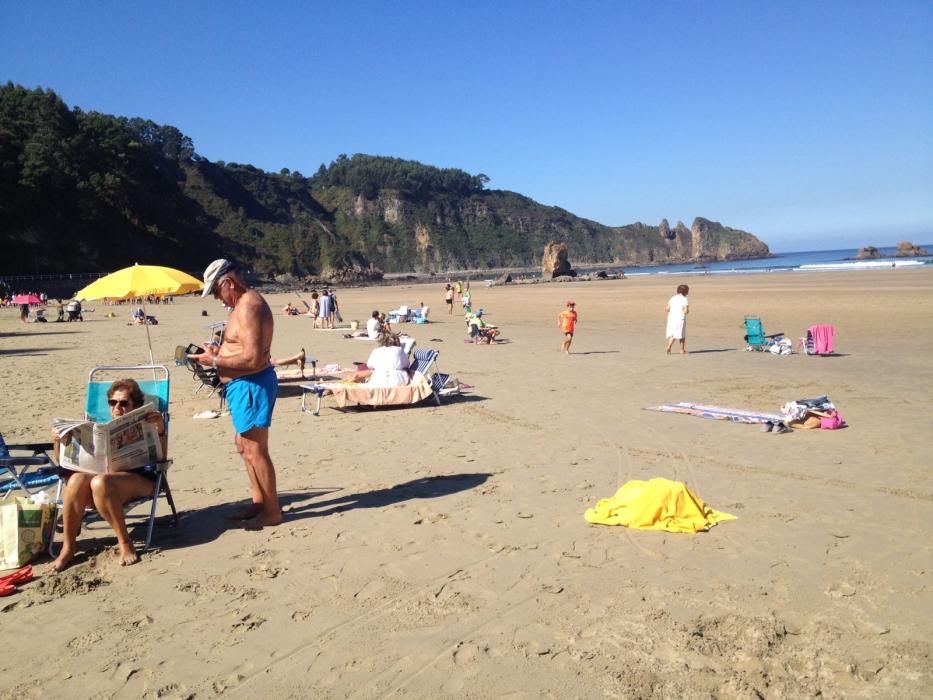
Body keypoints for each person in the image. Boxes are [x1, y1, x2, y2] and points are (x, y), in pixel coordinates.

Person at [189, 259, 282, 529]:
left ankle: (272, 511)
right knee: (244, 446)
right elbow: (243, 349)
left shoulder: (248, 307)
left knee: (255, 450)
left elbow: (253, 359)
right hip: (243, 385)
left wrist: (215, 362)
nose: (219, 299)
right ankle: (258, 502)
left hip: (252, 384)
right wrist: (219, 352)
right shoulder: (242, 306)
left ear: (228, 283)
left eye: (218, 292)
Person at [52, 378, 168, 571]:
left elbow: (161, 459)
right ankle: (69, 547)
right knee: (77, 479)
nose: (117, 407)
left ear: (136, 406)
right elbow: (63, 465)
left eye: (124, 403)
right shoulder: (99, 430)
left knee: (100, 482)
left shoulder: (150, 423)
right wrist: (58, 442)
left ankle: (125, 542)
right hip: (101, 485)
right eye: (113, 403)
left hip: (140, 480)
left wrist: (160, 429)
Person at [665, 284, 690, 354]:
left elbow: (667, 309)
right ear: (685, 291)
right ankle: (678, 349)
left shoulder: (673, 298)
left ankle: (679, 349)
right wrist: (687, 310)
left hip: (671, 318)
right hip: (680, 319)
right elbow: (685, 311)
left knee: (674, 333)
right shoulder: (684, 299)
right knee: (681, 334)